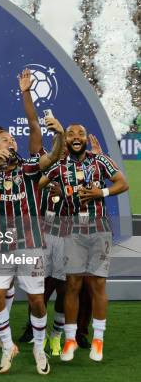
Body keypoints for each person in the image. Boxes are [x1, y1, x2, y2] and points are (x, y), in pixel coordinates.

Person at [0, 69, 65, 375]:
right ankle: (8, 345)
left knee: (37, 301)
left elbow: (51, 157)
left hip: (29, 243)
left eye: (10, 139)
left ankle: (38, 348)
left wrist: (60, 136)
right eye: (1, 140)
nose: (8, 142)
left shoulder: (27, 167)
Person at [42, 124, 129, 363]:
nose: (76, 137)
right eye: (71, 134)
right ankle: (69, 339)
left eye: (80, 134)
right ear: (66, 141)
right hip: (73, 232)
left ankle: (98, 339)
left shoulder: (100, 161)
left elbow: (122, 183)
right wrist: (53, 189)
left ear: (85, 139)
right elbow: (37, 183)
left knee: (98, 283)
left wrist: (101, 193)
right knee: (72, 285)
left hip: (100, 230)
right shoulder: (59, 167)